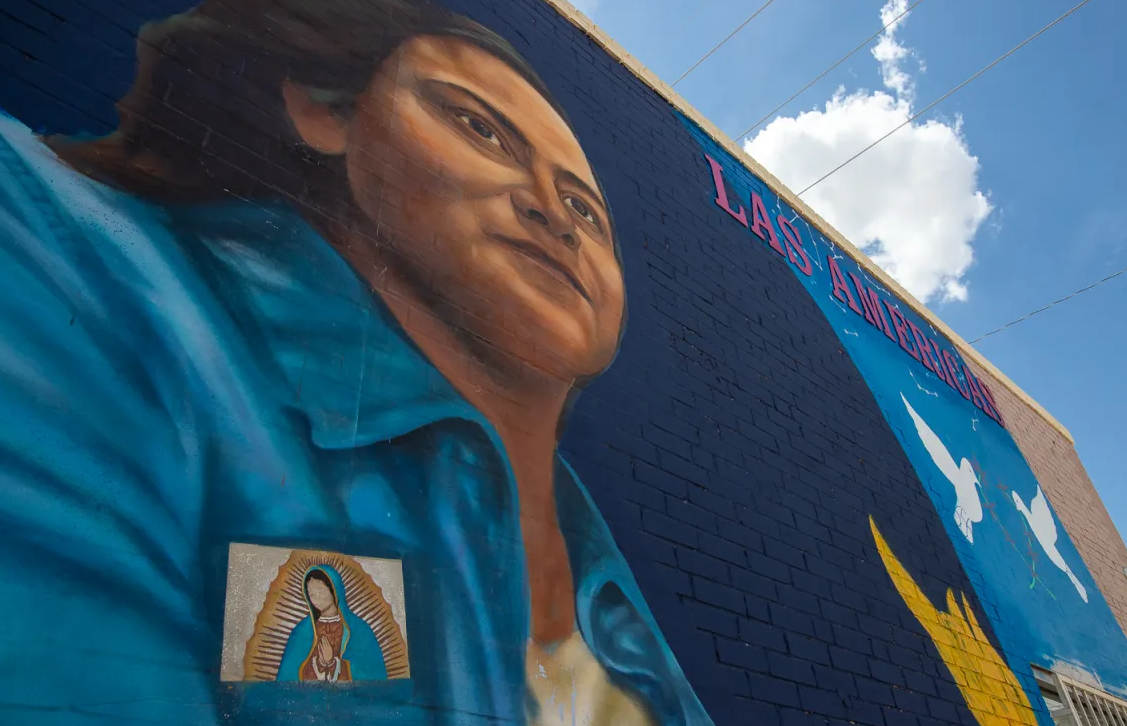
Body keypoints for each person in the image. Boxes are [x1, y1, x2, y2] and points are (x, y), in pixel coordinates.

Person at [0, 0, 713, 724]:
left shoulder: (610, 592)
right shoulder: (75, 258)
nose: (554, 216)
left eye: (584, 210)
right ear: (324, 114)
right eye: (481, 129)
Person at [278, 566, 387, 683]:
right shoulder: (301, 631)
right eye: (312, 594)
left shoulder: (359, 630)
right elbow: (288, 677)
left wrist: (333, 663)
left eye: (320, 591)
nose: (317, 598)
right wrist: (320, 663)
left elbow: (373, 674)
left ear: (334, 590)